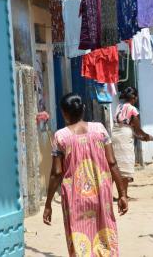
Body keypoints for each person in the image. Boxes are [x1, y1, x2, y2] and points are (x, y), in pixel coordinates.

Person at [43, 93, 128, 256]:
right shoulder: (100, 129)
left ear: (64, 113)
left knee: (78, 235)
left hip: (75, 196)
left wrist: (48, 204)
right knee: (104, 233)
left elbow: (56, 172)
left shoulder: (60, 136)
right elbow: (112, 163)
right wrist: (122, 193)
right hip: (101, 193)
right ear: (83, 109)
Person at [112, 86, 153, 196]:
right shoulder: (133, 110)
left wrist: (141, 137)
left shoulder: (118, 107)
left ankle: (119, 193)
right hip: (125, 138)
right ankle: (123, 195)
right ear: (134, 97)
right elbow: (137, 129)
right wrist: (146, 136)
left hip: (115, 135)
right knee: (125, 166)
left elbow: (127, 129)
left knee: (116, 164)